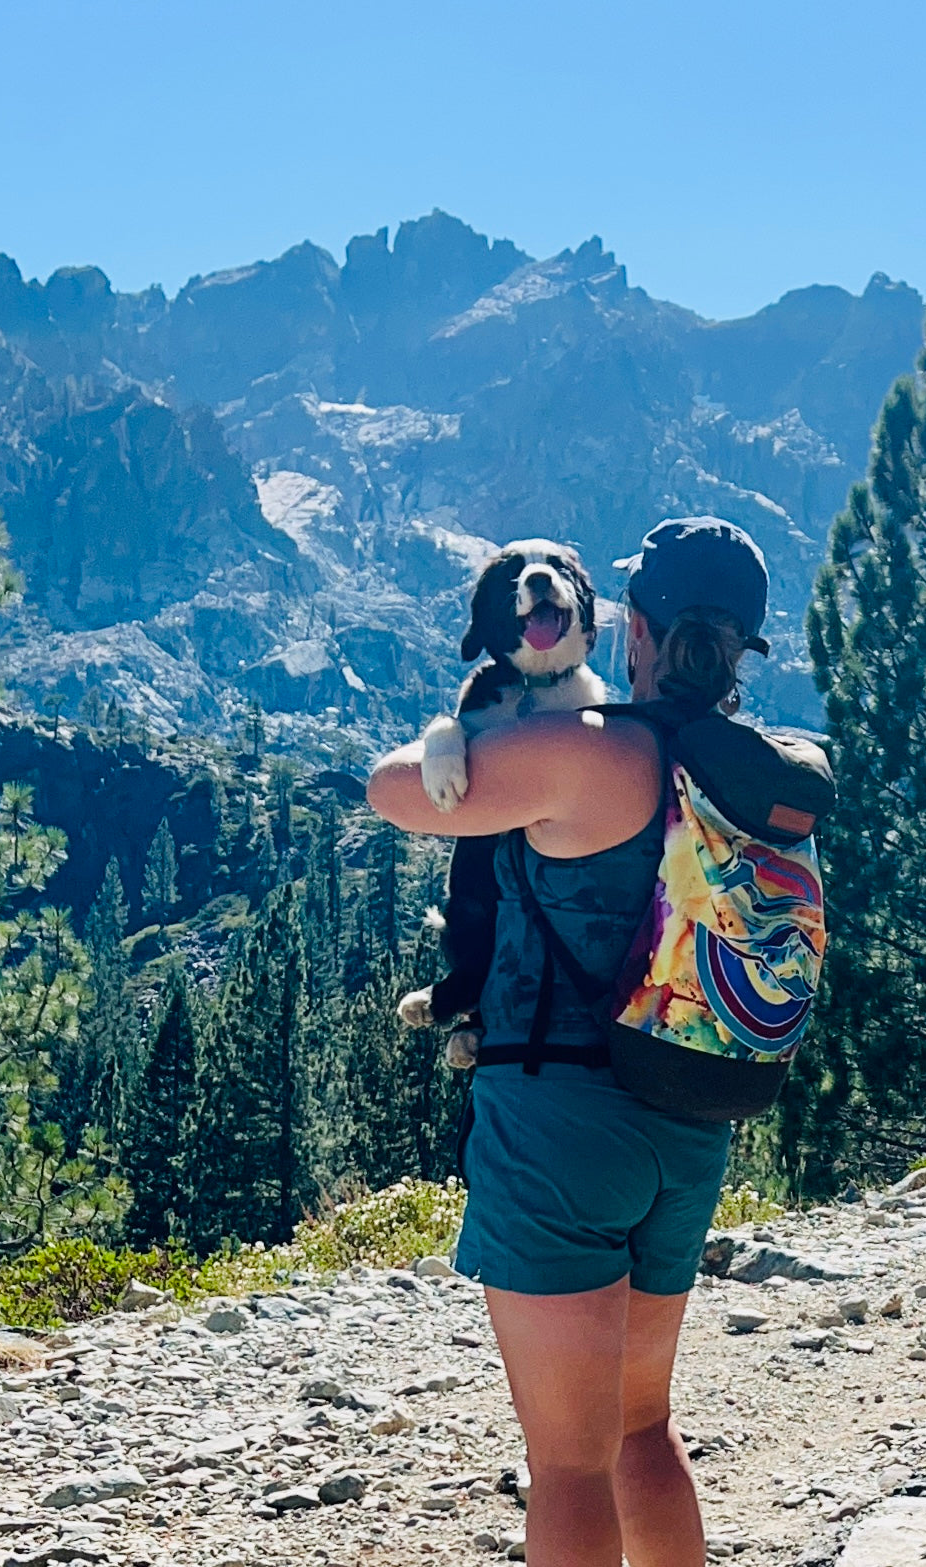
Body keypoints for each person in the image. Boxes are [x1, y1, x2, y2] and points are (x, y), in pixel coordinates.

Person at [367, 517, 773, 1567]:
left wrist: (457, 734)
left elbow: (391, 791)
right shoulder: (739, 770)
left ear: (629, 624)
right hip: (686, 1120)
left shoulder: (585, 752)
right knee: (641, 1430)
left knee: (568, 1464)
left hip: (557, 1124)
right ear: (742, 646)